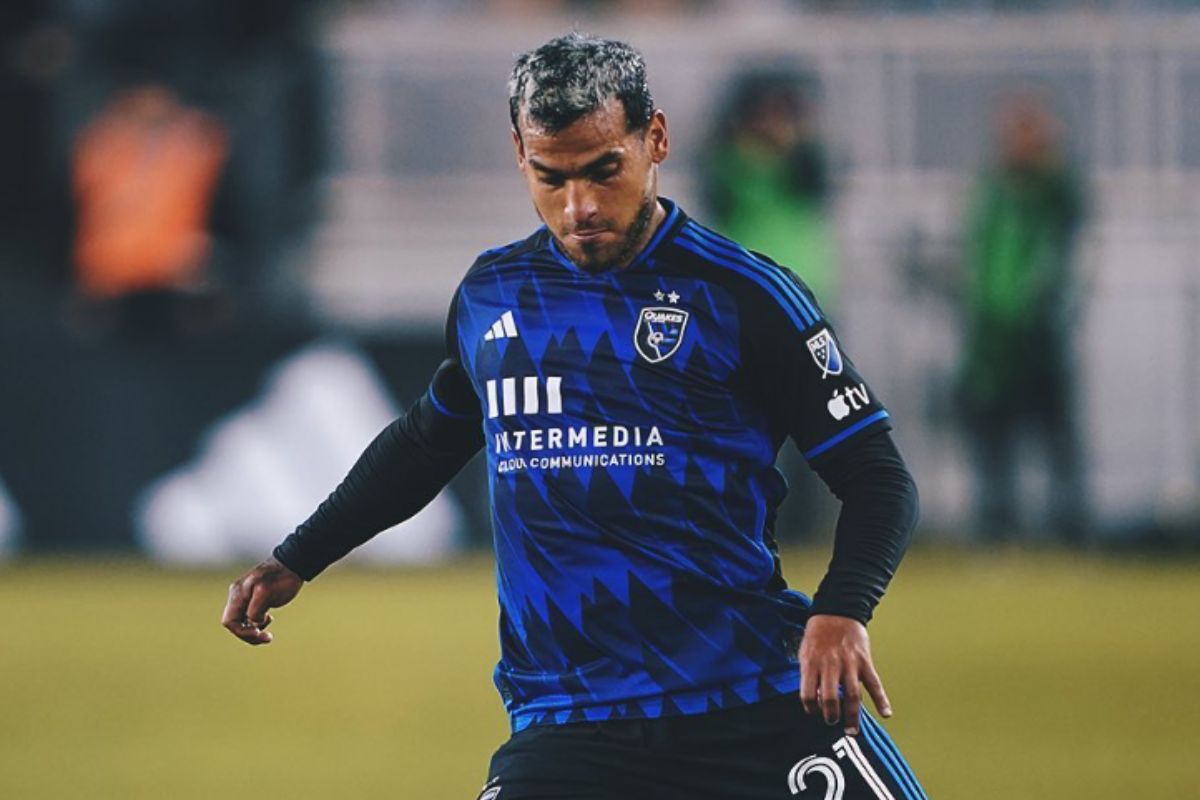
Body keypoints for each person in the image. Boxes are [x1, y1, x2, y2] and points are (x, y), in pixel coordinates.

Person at [222, 33, 925, 800]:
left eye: (603, 171)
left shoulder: (746, 296)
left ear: (656, 140)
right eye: (550, 177)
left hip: (751, 698)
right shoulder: (492, 296)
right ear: (519, 154)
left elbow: (877, 477)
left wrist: (842, 611)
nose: (579, 207)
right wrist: (299, 556)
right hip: (567, 722)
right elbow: (426, 443)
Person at [959, 90, 1086, 543]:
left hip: (1039, 334)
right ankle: (997, 526)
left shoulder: (1054, 188)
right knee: (992, 434)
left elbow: (1069, 215)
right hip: (989, 336)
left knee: (1054, 433)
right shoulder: (994, 190)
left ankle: (1069, 526)